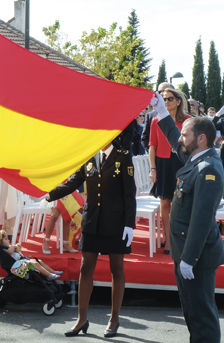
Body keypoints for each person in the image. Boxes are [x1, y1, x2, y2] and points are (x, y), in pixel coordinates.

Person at [151, 94, 224, 343]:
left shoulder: (208, 170)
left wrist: (188, 259)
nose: (181, 138)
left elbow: (202, 220)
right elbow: (175, 140)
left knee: (202, 316)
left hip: (196, 256)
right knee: (192, 313)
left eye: (186, 134)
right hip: (186, 252)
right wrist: (162, 112)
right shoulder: (198, 157)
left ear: (201, 138)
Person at [47, 122, 137, 338]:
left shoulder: (122, 157)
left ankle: (114, 320)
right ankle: (81, 319)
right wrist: (47, 194)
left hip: (116, 223)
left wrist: (129, 224)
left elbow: (129, 194)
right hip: (92, 222)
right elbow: (72, 183)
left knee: (117, 269)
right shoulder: (89, 157)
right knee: (85, 268)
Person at [148, 86, 190, 255]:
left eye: (169, 99)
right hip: (163, 163)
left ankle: (182, 238)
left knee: (182, 203)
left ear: (178, 101)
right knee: (165, 203)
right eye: (163, 99)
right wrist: (153, 169)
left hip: (182, 163)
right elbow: (152, 146)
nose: (166, 102)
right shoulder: (155, 120)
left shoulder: (188, 120)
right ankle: (168, 239)